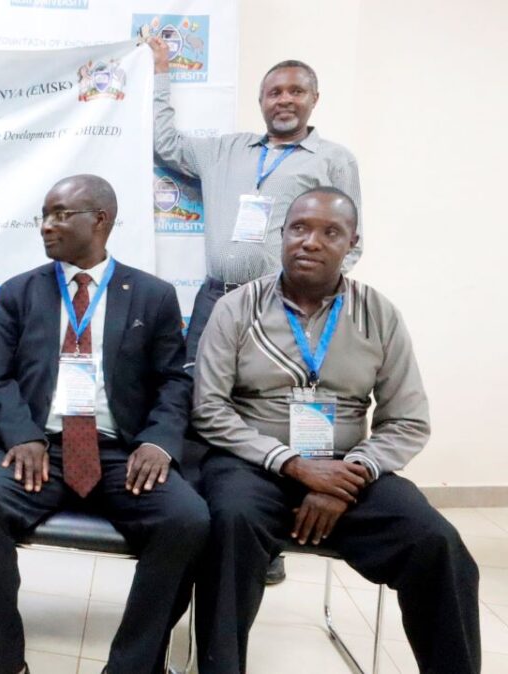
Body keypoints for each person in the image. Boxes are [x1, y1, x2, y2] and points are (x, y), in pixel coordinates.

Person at [191, 187, 480, 673]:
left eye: (330, 232)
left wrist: (349, 475)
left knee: (438, 544)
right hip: (253, 465)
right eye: (299, 228)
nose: (310, 242)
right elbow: (210, 408)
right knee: (229, 526)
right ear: (281, 236)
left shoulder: (379, 314)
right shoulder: (237, 308)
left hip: (348, 473)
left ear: (353, 243)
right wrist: (294, 465)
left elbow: (407, 420)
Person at [0, 175, 209, 674]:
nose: (46, 226)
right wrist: (22, 434)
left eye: (59, 214)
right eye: (44, 216)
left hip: (121, 452)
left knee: (188, 519)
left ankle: (133, 666)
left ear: (100, 220)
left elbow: (175, 382)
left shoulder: (152, 295)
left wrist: (158, 442)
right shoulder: (18, 292)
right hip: (39, 449)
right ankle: (2, 663)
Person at [148, 38, 362, 585]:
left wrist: (314, 294)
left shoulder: (333, 159)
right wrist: (161, 69)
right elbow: (165, 141)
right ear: (261, 99)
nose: (283, 99)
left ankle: (264, 539)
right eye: (273, 91)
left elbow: (352, 241)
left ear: (314, 99)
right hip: (217, 297)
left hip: (284, 304)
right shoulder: (227, 149)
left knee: (274, 409)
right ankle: (200, 524)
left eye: (295, 91)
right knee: (200, 402)